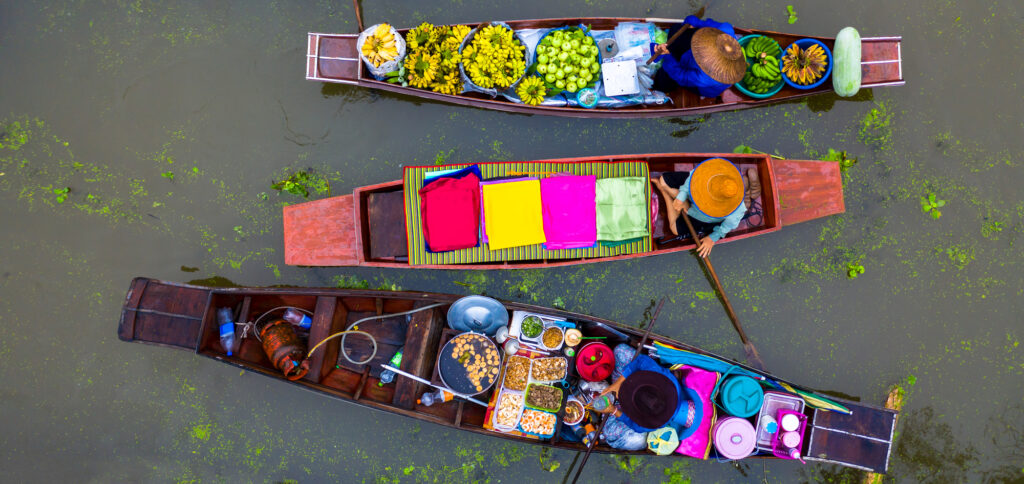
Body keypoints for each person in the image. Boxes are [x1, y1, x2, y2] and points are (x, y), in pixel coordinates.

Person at [653, 158, 761, 257]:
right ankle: (746, 191)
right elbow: (691, 177)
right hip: (694, 190)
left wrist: (712, 238)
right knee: (663, 181)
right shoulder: (710, 172)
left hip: (703, 216)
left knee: (675, 229)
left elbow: (727, 226)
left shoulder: (736, 211)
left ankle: (664, 192)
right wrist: (681, 197)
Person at [593, 354, 701, 434]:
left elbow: (635, 425)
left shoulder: (653, 423)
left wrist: (613, 409)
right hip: (630, 379)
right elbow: (642, 360)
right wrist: (617, 384)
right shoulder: (667, 380)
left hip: (623, 402)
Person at [650, 16, 747, 98]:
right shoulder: (725, 30)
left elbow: (682, 76)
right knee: (676, 29)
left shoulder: (705, 77)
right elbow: (709, 24)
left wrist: (667, 57)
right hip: (689, 55)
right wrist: (697, 22)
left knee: (663, 82)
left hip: (701, 86)